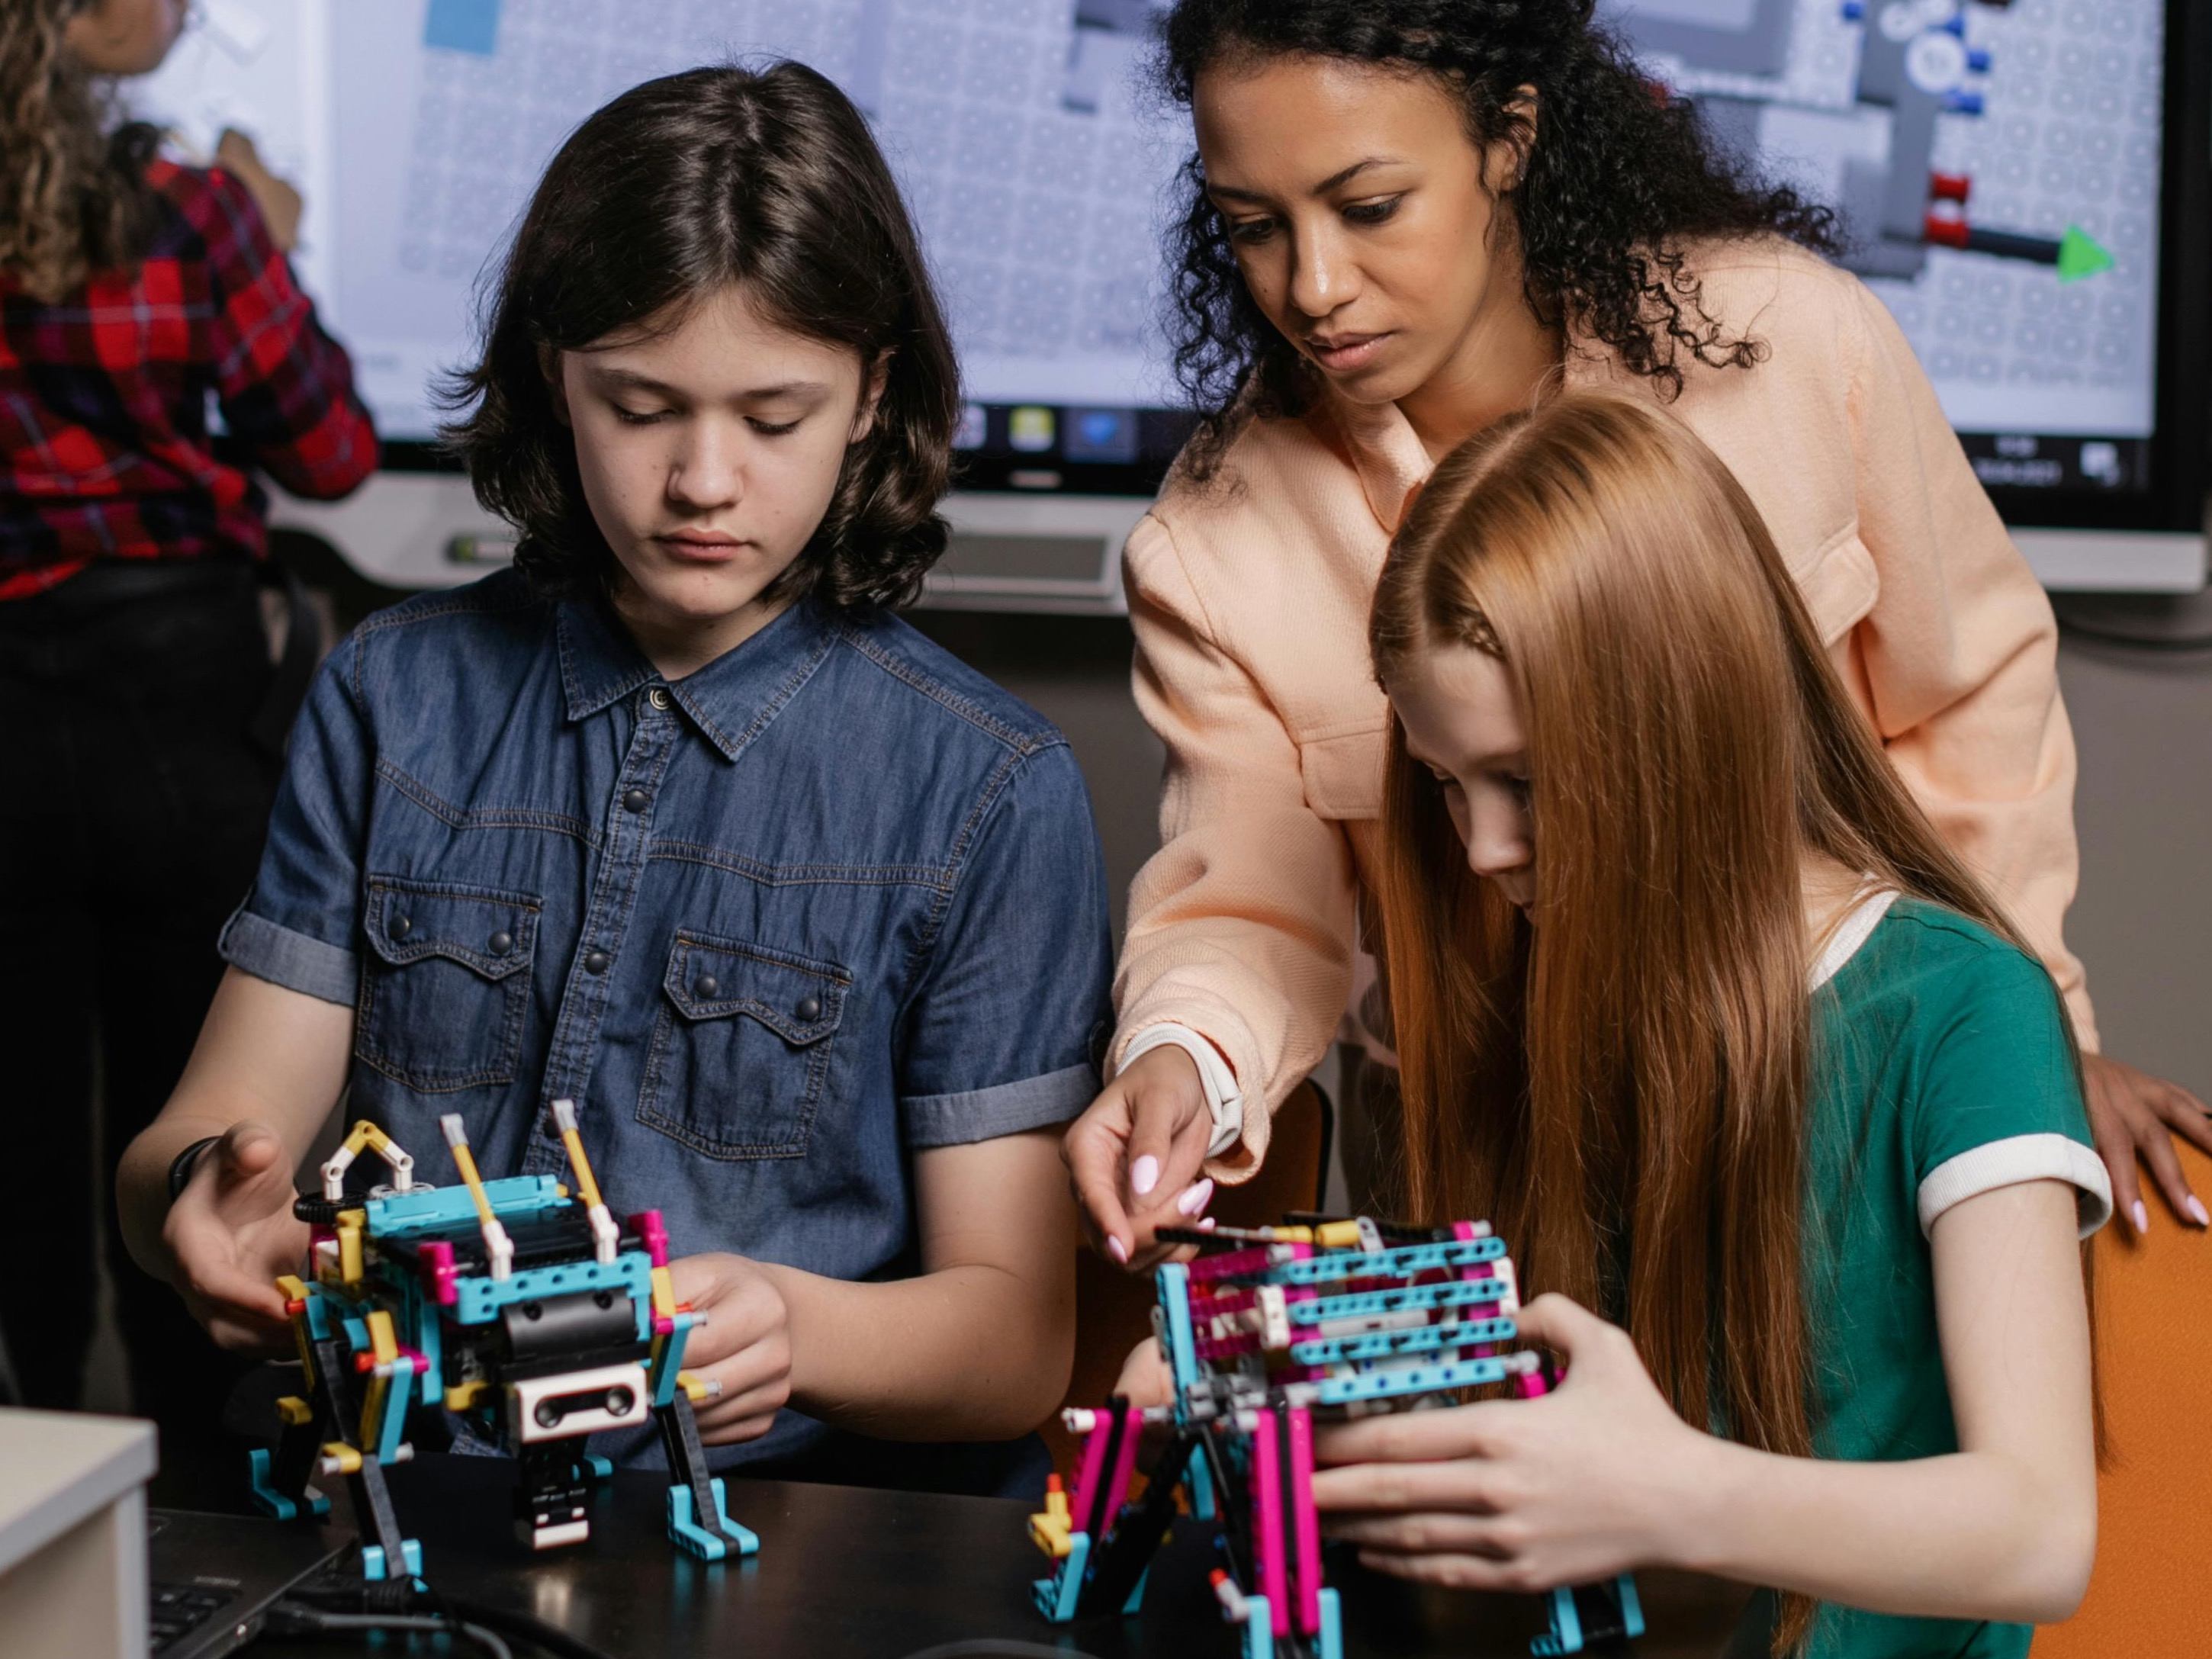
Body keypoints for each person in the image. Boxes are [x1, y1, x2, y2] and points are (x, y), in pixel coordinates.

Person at [1063, 0, 2210, 1268]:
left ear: (1509, 138)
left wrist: (2035, 1033)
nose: (1314, 286)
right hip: (1483, 1150)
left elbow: (1966, 703)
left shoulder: (1793, 343)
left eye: (1371, 206)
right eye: (1255, 229)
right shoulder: (1212, 541)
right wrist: (1185, 1060)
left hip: (1842, 1089)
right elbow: (1246, 906)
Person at [117, 62, 1112, 1494]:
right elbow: (180, 1158)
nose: (705, 480)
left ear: (870, 397)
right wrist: (201, 1207)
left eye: (774, 418)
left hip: (786, 1521)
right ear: (552, 382)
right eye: (642, 407)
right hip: (425, 1489)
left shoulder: (991, 788)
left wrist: (805, 1329)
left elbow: (1014, 1344)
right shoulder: (387, 696)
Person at [1127, 391, 2107, 1657]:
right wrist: (1256, 1390)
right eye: (1445, 786)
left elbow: (2038, 1535)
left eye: (1526, 784)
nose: (1482, 851)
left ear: (1681, 720)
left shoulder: (1966, 1009)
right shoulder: (1551, 982)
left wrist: (1670, 1495)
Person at [0, 0, 375, 1456]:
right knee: (195, 1151)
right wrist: (271, 238)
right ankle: (197, 1512)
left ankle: (35, 1479)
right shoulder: (200, 212)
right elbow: (331, 452)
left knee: (17, 1148)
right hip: (178, 700)